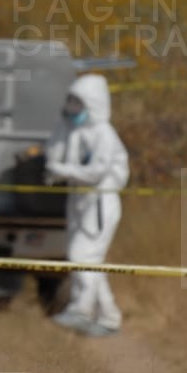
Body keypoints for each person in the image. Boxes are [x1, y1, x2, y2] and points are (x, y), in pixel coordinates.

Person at [45, 74, 130, 337]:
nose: (72, 107)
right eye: (70, 101)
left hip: (100, 202)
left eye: (78, 102)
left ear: (92, 104)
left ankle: (80, 309)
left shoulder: (104, 134)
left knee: (83, 256)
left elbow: (96, 171)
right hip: (79, 200)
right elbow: (53, 156)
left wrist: (62, 170)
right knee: (89, 260)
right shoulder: (72, 130)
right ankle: (109, 317)